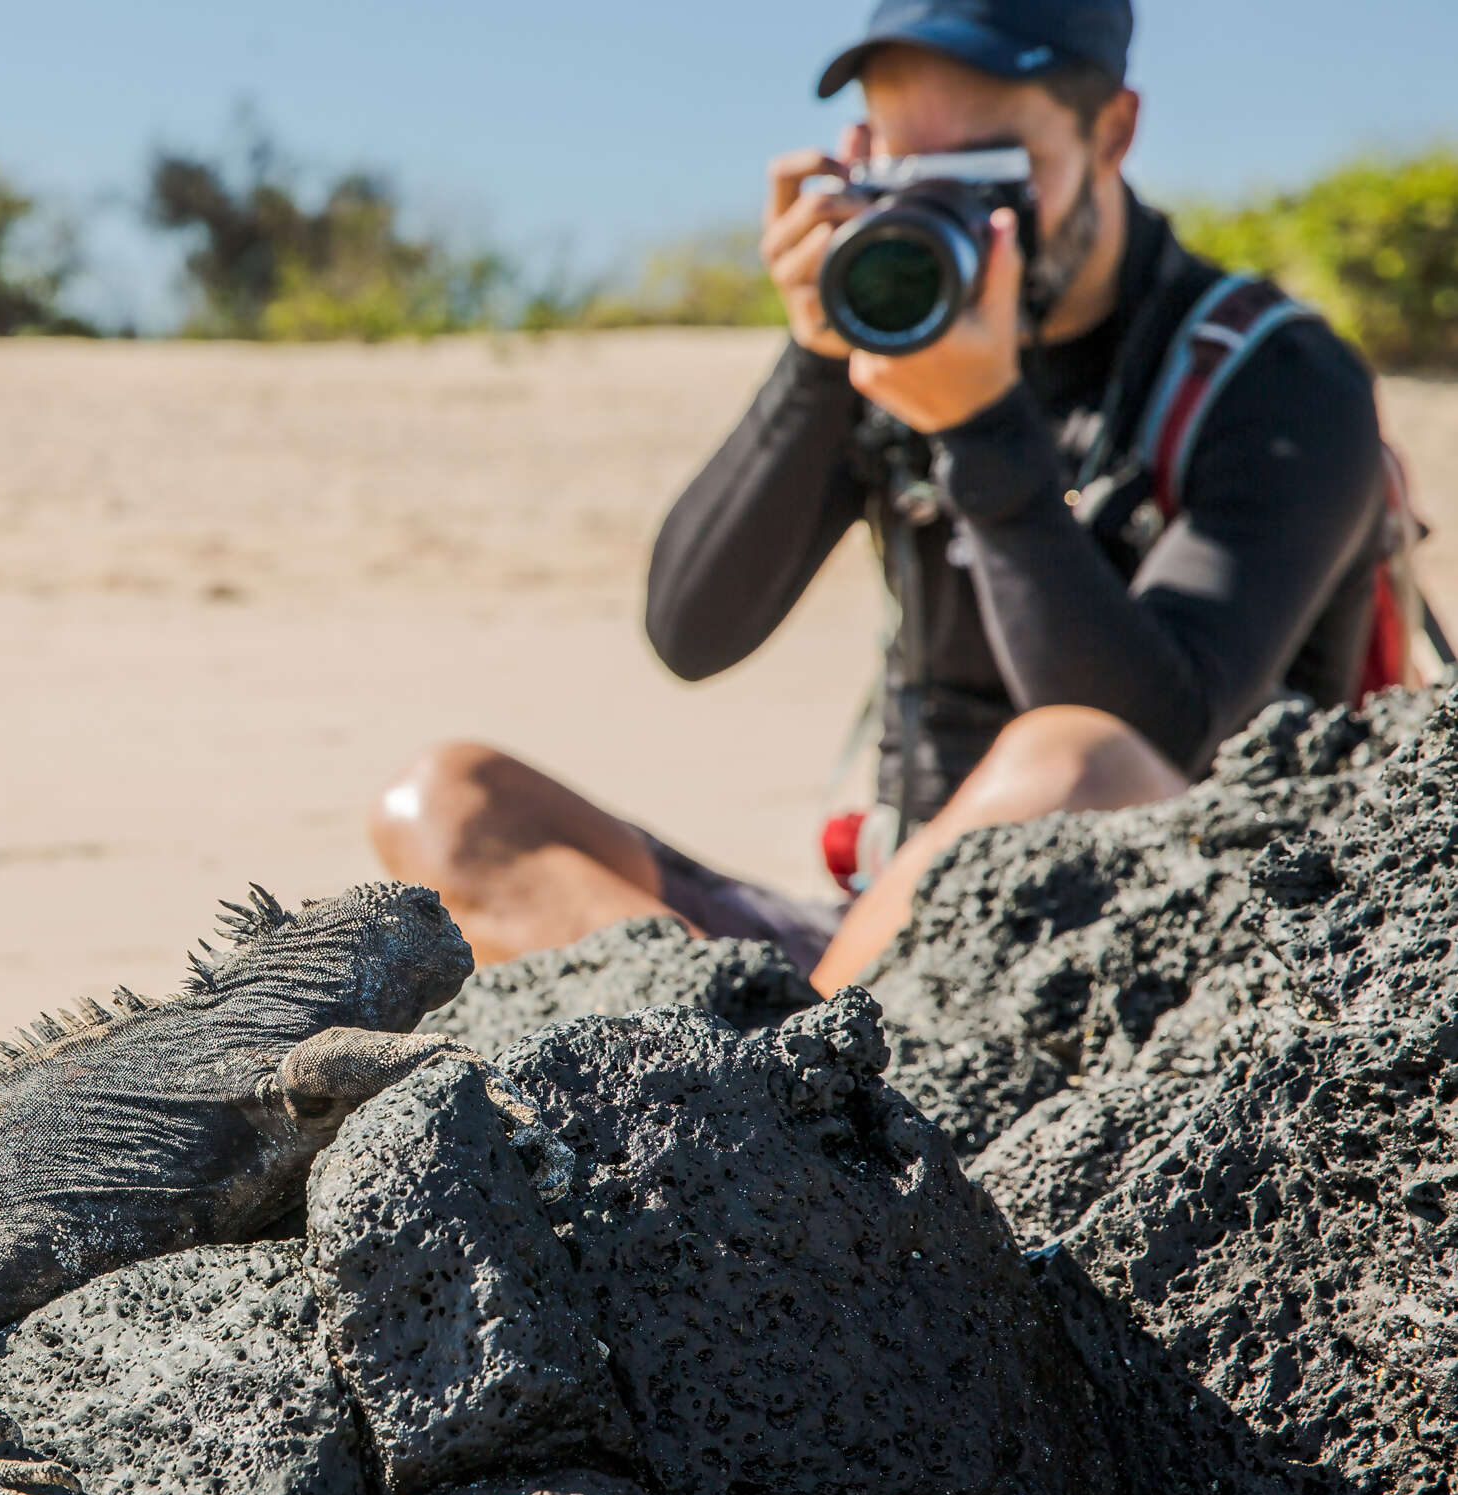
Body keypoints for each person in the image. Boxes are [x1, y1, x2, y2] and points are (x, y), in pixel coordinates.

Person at [372, 0, 1389, 995]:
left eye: (990, 173)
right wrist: (816, 357)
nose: (947, 214)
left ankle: (772, 1081)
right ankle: (735, 1064)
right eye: (908, 172)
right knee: (447, 803)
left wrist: (984, 434)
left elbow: (1142, 748)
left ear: (1111, 132)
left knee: (1067, 760)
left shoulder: (1280, 383)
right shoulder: (886, 340)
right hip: (873, 956)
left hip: (1148, 953)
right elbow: (691, 634)